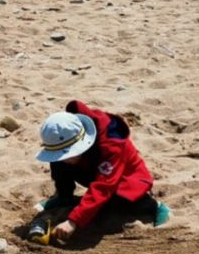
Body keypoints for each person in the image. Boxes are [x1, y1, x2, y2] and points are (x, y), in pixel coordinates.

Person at [31, 100, 170, 242]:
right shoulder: (68, 129)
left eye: (69, 153)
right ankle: (64, 197)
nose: (65, 159)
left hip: (125, 179)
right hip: (92, 167)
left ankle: (154, 207)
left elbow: (103, 186)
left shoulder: (111, 145)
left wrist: (73, 221)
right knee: (58, 161)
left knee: (116, 201)